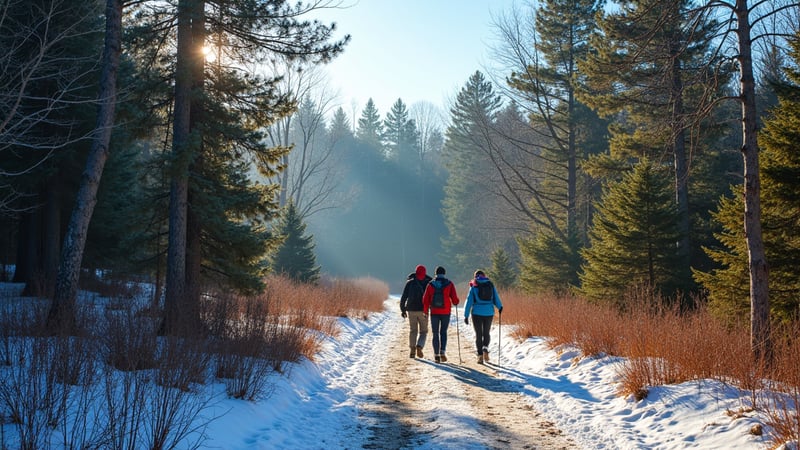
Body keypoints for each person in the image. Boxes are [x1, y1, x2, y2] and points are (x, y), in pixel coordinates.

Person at [464, 269, 503, 364]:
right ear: (484, 275)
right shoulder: (490, 284)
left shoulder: (474, 285)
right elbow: (495, 297)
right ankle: (485, 348)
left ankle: (480, 355)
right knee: (486, 332)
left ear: (475, 276)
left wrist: (466, 315)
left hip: (477, 313)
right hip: (489, 312)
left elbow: (469, 300)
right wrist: (500, 306)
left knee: (478, 334)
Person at [422, 266, 460, 363]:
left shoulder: (430, 284)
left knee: (435, 333)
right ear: (444, 273)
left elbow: (425, 300)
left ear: (436, 273)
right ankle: (442, 351)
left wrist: (425, 311)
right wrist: (456, 302)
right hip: (445, 312)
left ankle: (436, 355)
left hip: (434, 312)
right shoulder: (449, 284)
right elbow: (455, 299)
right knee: (443, 332)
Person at [400, 265, 432, 358]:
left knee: (413, 330)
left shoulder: (409, 283)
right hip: (424, 310)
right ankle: (420, 346)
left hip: (411, 310)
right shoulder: (428, 283)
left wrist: (403, 309)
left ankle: (412, 349)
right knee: (423, 331)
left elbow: (404, 297)